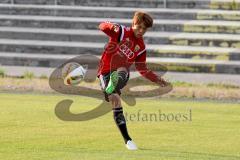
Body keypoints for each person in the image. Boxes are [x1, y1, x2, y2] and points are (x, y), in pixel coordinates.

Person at [97, 11, 169, 150]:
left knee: (122, 72)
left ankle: (128, 140)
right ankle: (110, 89)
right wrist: (112, 26)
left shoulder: (141, 47)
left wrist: (156, 79)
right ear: (133, 24)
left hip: (121, 73)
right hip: (105, 71)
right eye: (139, 27)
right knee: (115, 99)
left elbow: (142, 69)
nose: (141, 31)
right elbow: (101, 26)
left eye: (145, 29)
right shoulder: (121, 32)